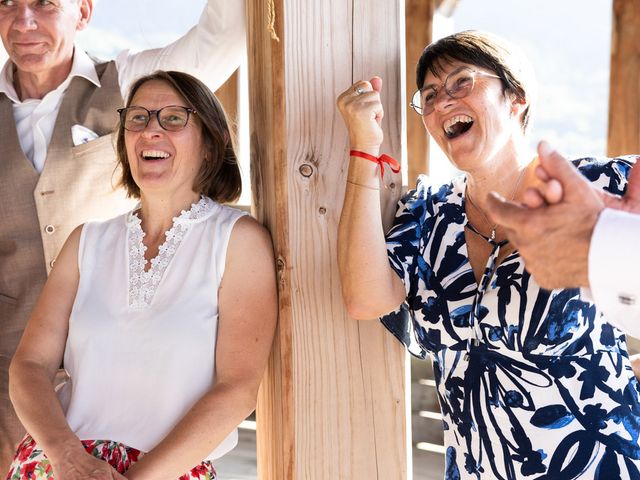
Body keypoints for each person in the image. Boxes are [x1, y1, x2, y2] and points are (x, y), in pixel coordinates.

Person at [337, 30, 640, 478]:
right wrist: (364, 149)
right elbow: (366, 298)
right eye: (430, 95)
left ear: (515, 96)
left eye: (462, 82)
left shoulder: (602, 186)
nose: (441, 103)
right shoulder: (427, 214)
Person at [0, 0, 245, 469]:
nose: (23, 20)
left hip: (118, 388)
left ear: (84, 12)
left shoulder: (134, 79)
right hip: (12, 376)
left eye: (45, 3)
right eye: (8, 2)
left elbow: (224, 37)